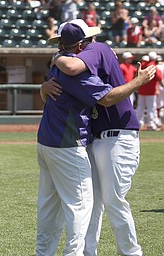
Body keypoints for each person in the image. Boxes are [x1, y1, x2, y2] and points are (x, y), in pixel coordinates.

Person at [46, 18, 149, 256]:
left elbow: (75, 70)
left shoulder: (96, 48)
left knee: (113, 201)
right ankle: (87, 252)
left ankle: (131, 253)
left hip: (118, 136)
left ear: (81, 43)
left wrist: (56, 57)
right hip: (95, 138)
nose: (62, 48)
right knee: (91, 204)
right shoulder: (78, 55)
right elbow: (57, 86)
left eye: (64, 44)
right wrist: (44, 88)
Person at [136, 51, 164, 131]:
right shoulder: (154, 66)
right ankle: (151, 125)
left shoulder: (144, 65)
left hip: (141, 90)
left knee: (140, 108)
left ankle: (138, 123)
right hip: (151, 92)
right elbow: (160, 79)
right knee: (151, 108)